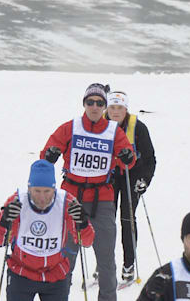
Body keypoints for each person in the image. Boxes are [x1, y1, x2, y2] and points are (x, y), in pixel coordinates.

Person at [40, 82, 137, 301]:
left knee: (105, 259)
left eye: (99, 103)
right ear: (84, 104)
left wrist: (128, 158)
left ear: (104, 106)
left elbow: (128, 159)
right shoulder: (70, 127)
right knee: (65, 257)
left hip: (102, 200)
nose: (94, 107)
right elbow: (46, 155)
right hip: (70, 199)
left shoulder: (113, 131)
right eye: (90, 102)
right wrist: (50, 155)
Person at [0, 160, 95, 301]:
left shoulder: (67, 202)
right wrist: (5, 221)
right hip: (21, 272)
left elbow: (86, 242)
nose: (42, 197)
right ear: (29, 188)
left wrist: (82, 223)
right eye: (37, 191)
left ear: (54, 189)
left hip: (55, 274)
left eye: (47, 191)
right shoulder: (16, 201)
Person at [107, 90, 158, 286]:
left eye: (119, 108)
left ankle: (128, 264)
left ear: (126, 109)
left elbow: (151, 159)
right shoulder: (100, 125)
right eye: (112, 107)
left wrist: (145, 180)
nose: (115, 112)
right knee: (106, 221)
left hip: (132, 175)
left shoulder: (138, 128)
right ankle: (104, 263)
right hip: (110, 177)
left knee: (127, 219)